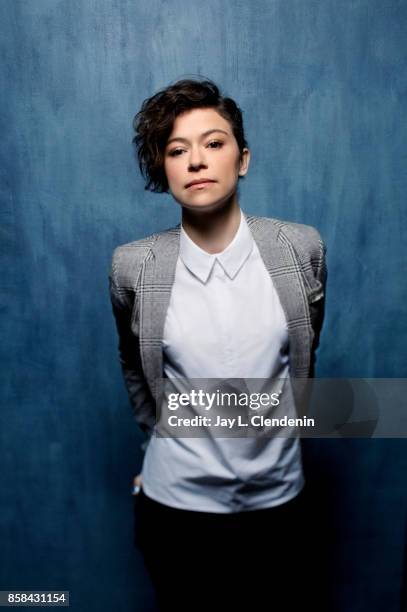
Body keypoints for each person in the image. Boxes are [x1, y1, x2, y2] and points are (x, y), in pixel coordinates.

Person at [109, 78, 327, 611]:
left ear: (243, 158)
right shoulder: (132, 265)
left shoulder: (300, 248)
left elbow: (304, 356)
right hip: (177, 510)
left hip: (279, 505)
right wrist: (157, 440)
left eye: (214, 143)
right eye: (177, 150)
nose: (196, 161)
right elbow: (135, 365)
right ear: (163, 168)